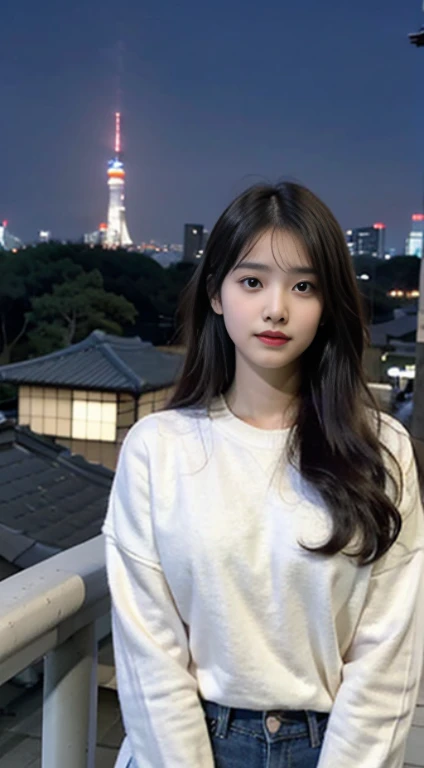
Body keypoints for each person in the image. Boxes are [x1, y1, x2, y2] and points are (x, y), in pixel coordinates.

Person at [102, 181, 424, 768]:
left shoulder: (382, 449)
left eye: (304, 286)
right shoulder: (158, 448)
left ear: (328, 306)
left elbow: (388, 654)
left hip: (333, 746)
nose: (277, 307)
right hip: (187, 741)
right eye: (252, 282)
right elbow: (149, 653)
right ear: (217, 294)